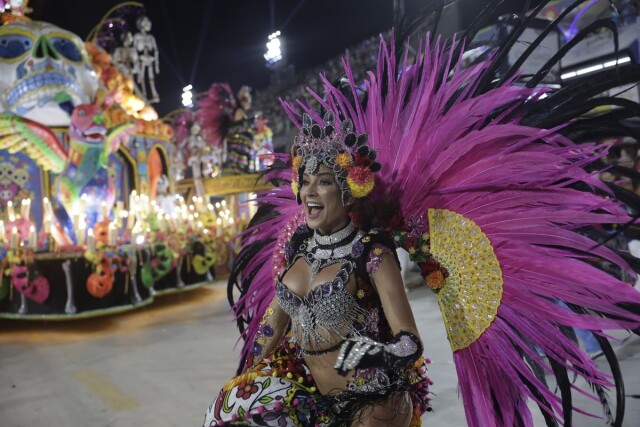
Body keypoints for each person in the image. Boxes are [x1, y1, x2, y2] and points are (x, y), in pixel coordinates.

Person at [203, 112, 431, 426]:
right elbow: (272, 327)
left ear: (348, 192)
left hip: (373, 400)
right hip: (313, 395)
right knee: (225, 410)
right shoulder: (299, 247)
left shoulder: (372, 253)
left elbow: (411, 342)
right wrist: (245, 380)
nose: (310, 191)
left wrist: (376, 353)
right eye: (306, 181)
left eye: (323, 182)